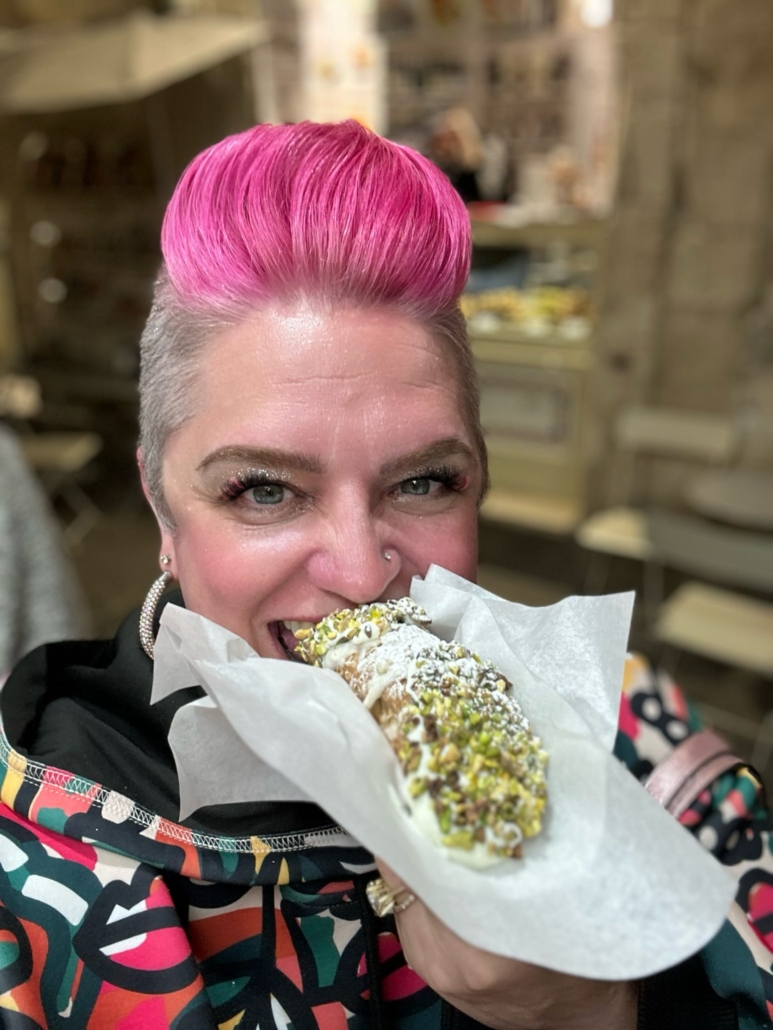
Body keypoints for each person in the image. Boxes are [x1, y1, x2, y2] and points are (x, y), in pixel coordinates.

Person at [0, 121, 770, 1030]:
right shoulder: (34, 883)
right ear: (160, 507)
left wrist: (595, 1007)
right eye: (263, 490)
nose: (363, 574)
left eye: (422, 482)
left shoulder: (648, 757)